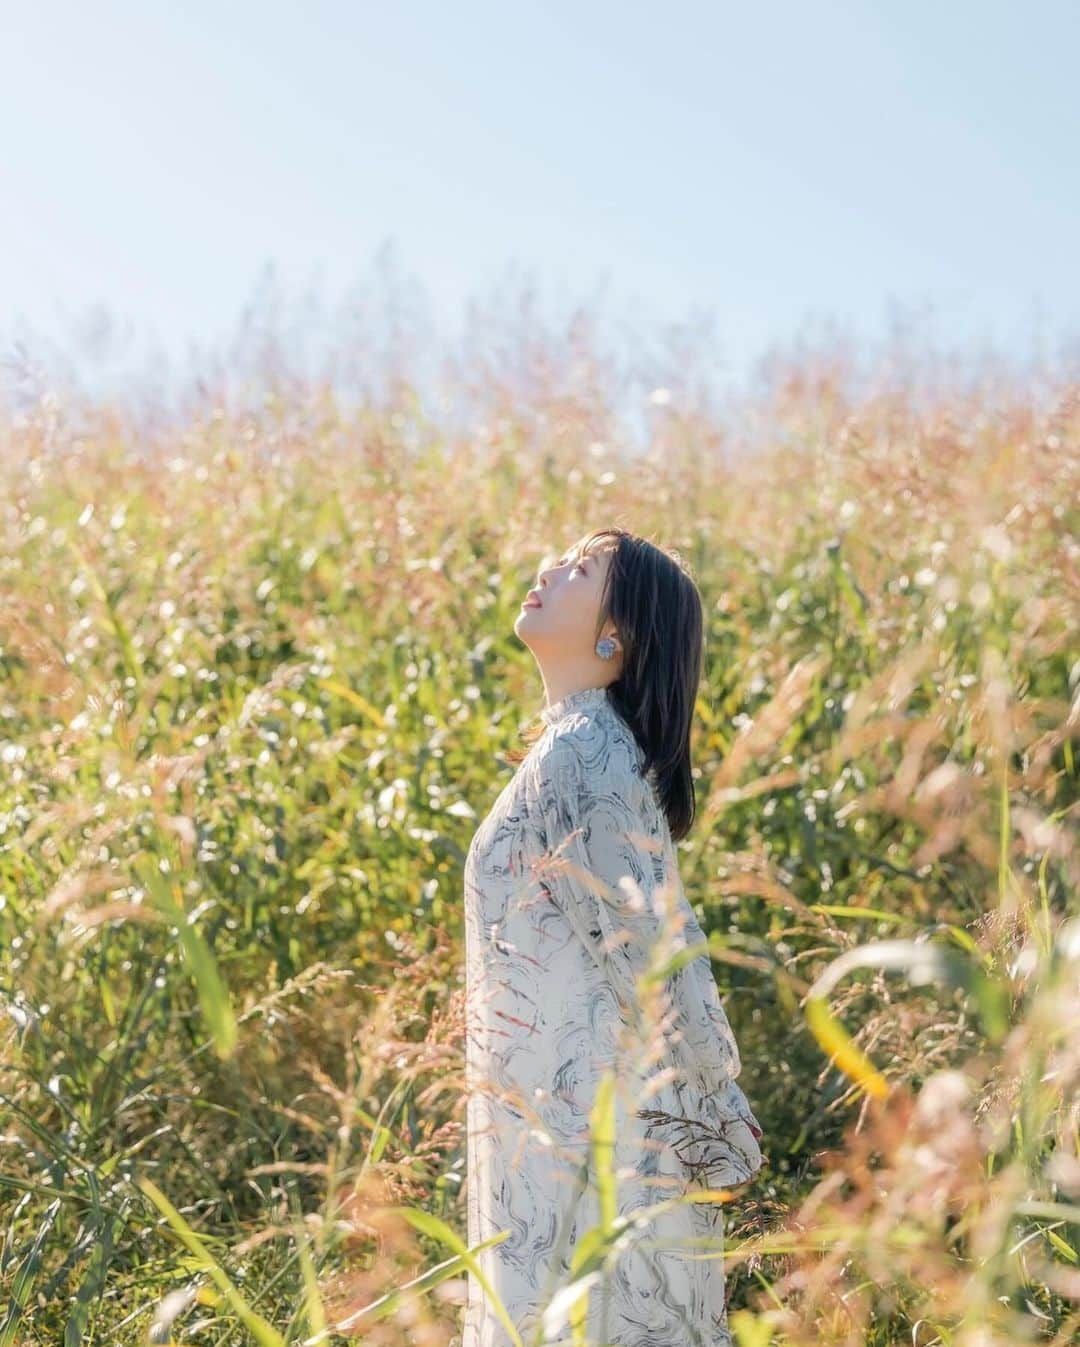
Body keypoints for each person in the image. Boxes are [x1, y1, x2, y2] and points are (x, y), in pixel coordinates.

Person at [462, 527, 765, 1347]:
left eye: (581, 568)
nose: (547, 568)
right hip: (560, 1131)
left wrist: (716, 1103)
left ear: (617, 633)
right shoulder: (580, 748)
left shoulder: (588, 754)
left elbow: (656, 952)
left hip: (588, 1147)